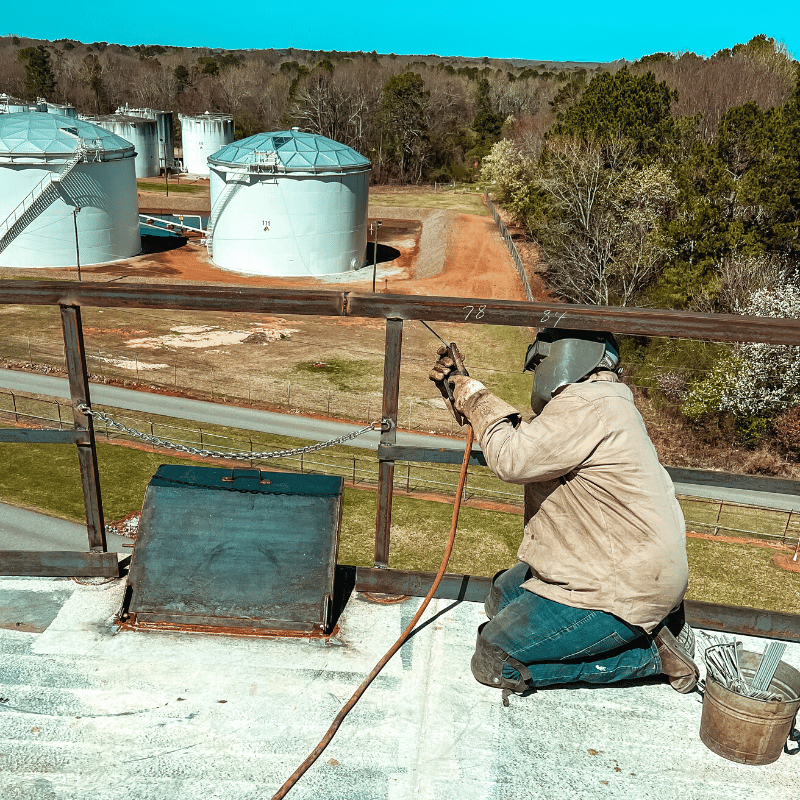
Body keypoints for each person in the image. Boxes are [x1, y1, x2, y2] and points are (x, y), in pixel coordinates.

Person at [429, 328, 698, 703]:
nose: (537, 370)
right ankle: (645, 628)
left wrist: (472, 394)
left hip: (617, 587)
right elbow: (533, 445)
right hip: (608, 565)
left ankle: (649, 657)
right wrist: (461, 390)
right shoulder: (600, 401)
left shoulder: (588, 405)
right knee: (501, 595)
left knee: (494, 659)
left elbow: (514, 458)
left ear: (565, 355)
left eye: (538, 361)